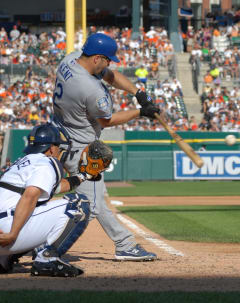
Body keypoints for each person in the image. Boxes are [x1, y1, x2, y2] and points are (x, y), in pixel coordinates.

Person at [52, 33, 160, 260]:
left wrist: (138, 93)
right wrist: (141, 112)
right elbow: (106, 121)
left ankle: (124, 243)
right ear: (96, 58)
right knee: (90, 205)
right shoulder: (90, 89)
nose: (110, 63)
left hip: (62, 136)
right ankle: (45, 245)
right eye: (107, 59)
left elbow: (109, 75)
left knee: (96, 199)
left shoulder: (70, 59)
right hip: (81, 148)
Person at [0, 123, 100, 277]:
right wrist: (13, 233)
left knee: (38, 205)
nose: (59, 150)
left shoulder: (21, 163)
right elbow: (30, 196)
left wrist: (84, 176)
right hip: (8, 233)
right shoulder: (47, 162)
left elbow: (54, 188)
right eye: (58, 146)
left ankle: (1, 260)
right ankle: (47, 259)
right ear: (51, 148)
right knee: (78, 204)